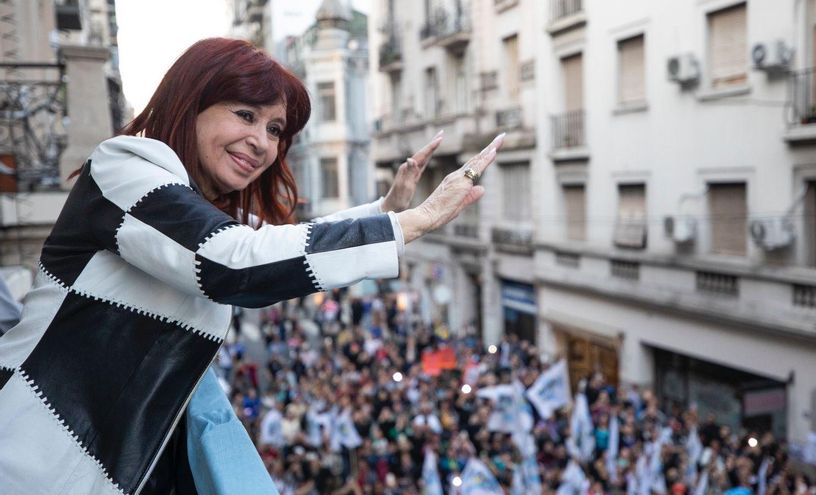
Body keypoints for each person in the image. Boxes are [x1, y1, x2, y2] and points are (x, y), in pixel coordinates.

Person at [0, 37, 502, 494]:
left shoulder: (199, 211)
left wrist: (384, 211)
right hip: (25, 459)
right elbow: (233, 262)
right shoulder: (125, 166)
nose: (263, 142)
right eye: (244, 114)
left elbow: (263, 244)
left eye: (275, 129)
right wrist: (416, 222)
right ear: (189, 104)